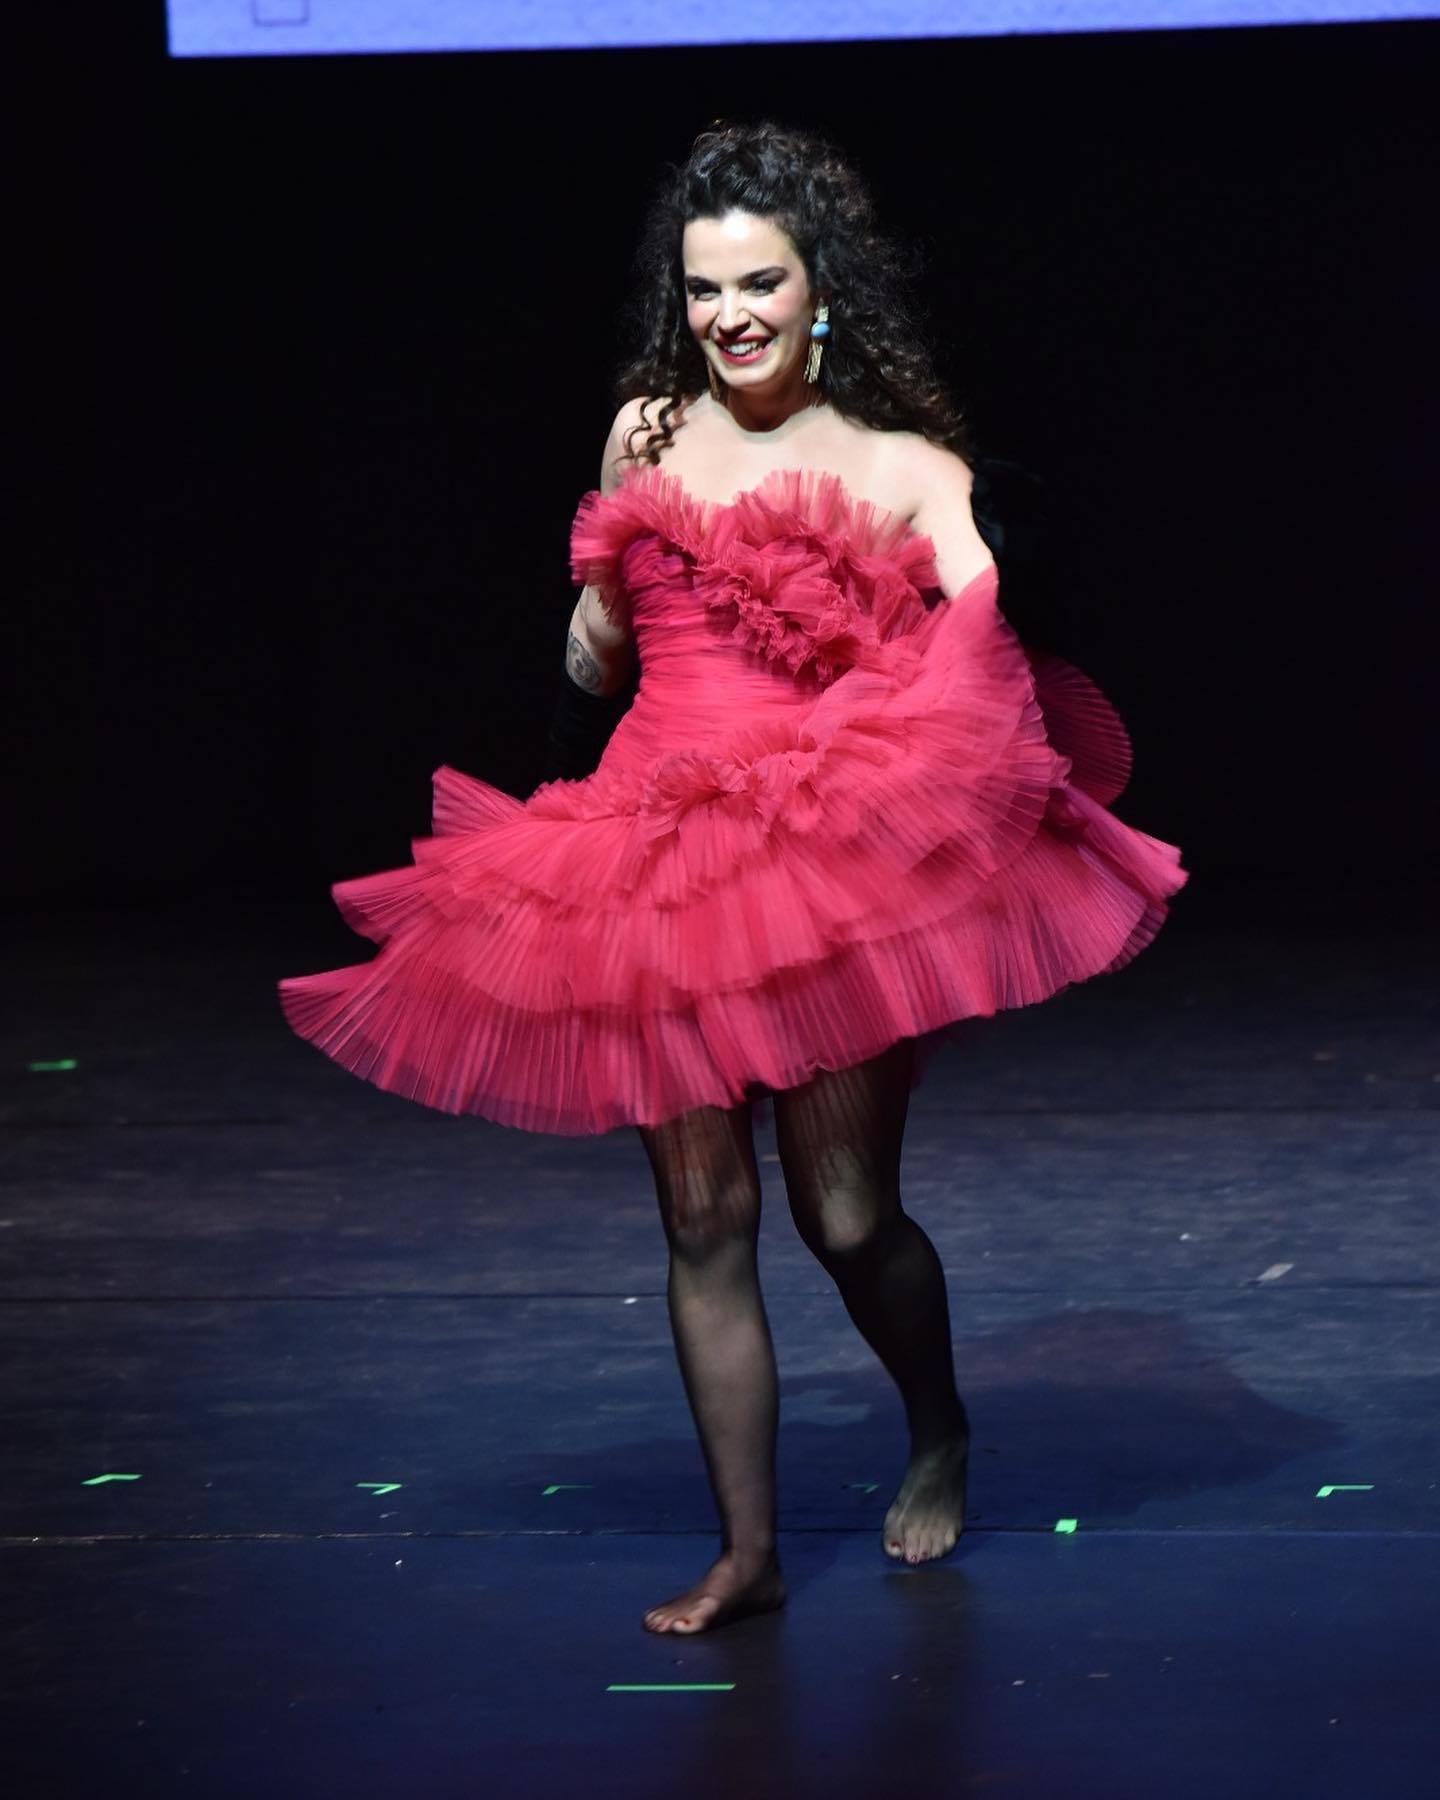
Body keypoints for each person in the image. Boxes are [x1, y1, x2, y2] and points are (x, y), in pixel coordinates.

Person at [278, 120, 1187, 1638]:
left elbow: (993, 657)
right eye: (704, 289)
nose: (732, 315)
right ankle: (747, 1555)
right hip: (655, 843)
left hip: (822, 863)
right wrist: (597, 591)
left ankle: (938, 1426)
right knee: (702, 1216)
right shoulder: (643, 434)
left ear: (822, 287)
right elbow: (597, 661)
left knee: (846, 1217)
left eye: (761, 282)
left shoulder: (901, 466)